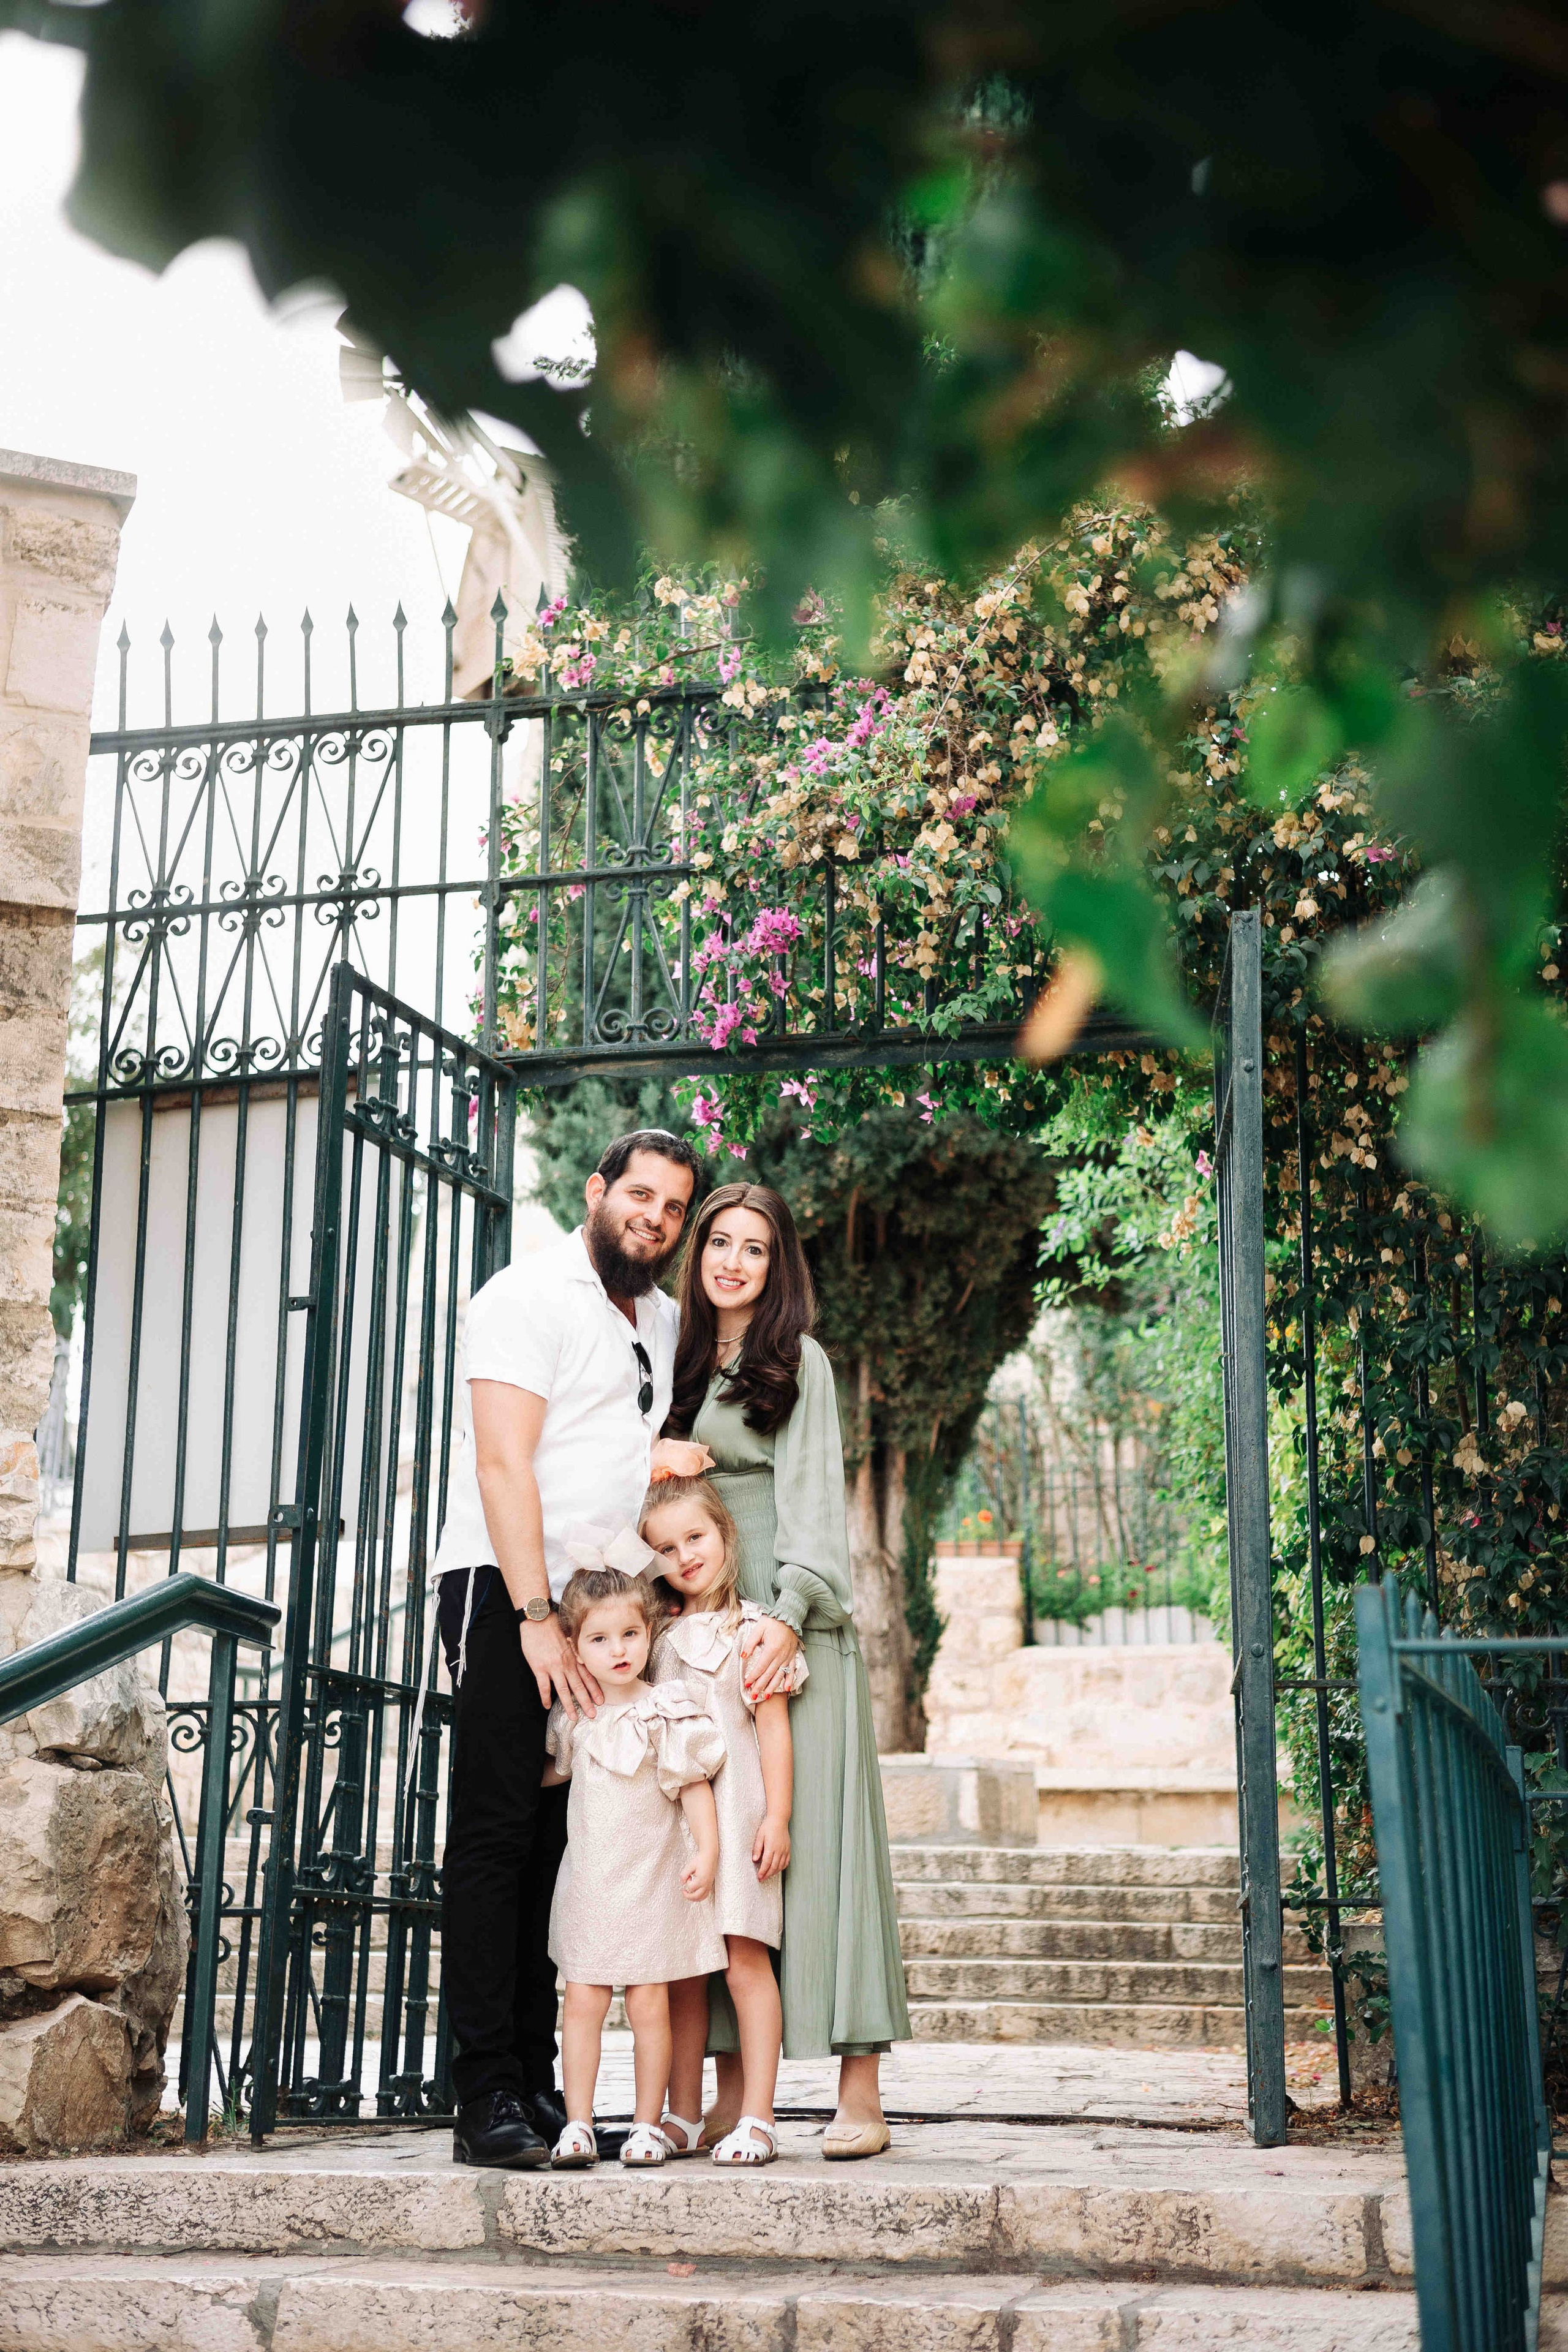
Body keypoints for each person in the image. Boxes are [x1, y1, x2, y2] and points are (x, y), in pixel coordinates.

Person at [428, 1127, 702, 2169]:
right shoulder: (525, 1295)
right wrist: (535, 1614)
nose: (656, 1218)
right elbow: (505, 1464)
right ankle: (483, 2094)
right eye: (640, 1195)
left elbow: (623, 1458)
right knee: (496, 1839)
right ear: (598, 1192)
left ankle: (542, 2087)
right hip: (510, 1593)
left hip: (606, 1605)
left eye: (674, 1206)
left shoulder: (665, 1317)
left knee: (560, 1845)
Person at [658, 1181, 911, 2158]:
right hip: (702, 1630)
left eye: (755, 1249)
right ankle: (731, 2095)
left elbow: (812, 1495)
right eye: (719, 1242)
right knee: (721, 1848)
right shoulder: (673, 1363)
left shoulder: (796, 1360)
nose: (732, 1261)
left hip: (789, 1625)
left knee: (821, 1850)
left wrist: (791, 1616)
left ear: (779, 1266)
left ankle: (859, 2093)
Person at [641, 1475, 807, 2166]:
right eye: (666, 1547)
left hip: (739, 1816)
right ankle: (681, 2113)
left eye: (695, 1538)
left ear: (725, 1535)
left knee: (745, 1959)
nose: (684, 1556)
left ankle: (758, 2115)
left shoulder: (756, 1631)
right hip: (671, 1826)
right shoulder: (650, 1638)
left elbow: (771, 1729)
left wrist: (778, 1816)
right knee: (680, 1971)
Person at [543, 1558, 727, 2170]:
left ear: (650, 1632)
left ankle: (649, 2125)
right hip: (592, 1883)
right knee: (583, 2001)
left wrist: (707, 1851)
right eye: (599, 1638)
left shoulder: (664, 1709)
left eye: (629, 1634)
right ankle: (578, 2124)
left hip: (651, 1880)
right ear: (573, 1646)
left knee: (651, 2002)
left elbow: (694, 1787)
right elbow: (549, 1775)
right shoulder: (575, 1716)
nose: (618, 1650)